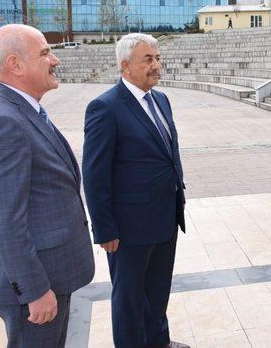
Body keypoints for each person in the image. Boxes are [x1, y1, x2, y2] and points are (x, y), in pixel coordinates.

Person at [0, 24, 95, 347]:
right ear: (16, 65)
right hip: (35, 287)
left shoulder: (22, 110)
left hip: (51, 272)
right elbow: (5, 222)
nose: (56, 60)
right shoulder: (3, 123)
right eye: (45, 53)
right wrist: (35, 290)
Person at [82, 33, 188, 348]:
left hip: (165, 218)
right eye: (148, 60)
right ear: (125, 65)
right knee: (129, 300)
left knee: (157, 291)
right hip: (128, 229)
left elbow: (170, 153)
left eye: (157, 58)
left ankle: (159, 342)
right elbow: (94, 173)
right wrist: (104, 228)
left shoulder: (161, 99)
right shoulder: (105, 107)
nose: (156, 65)